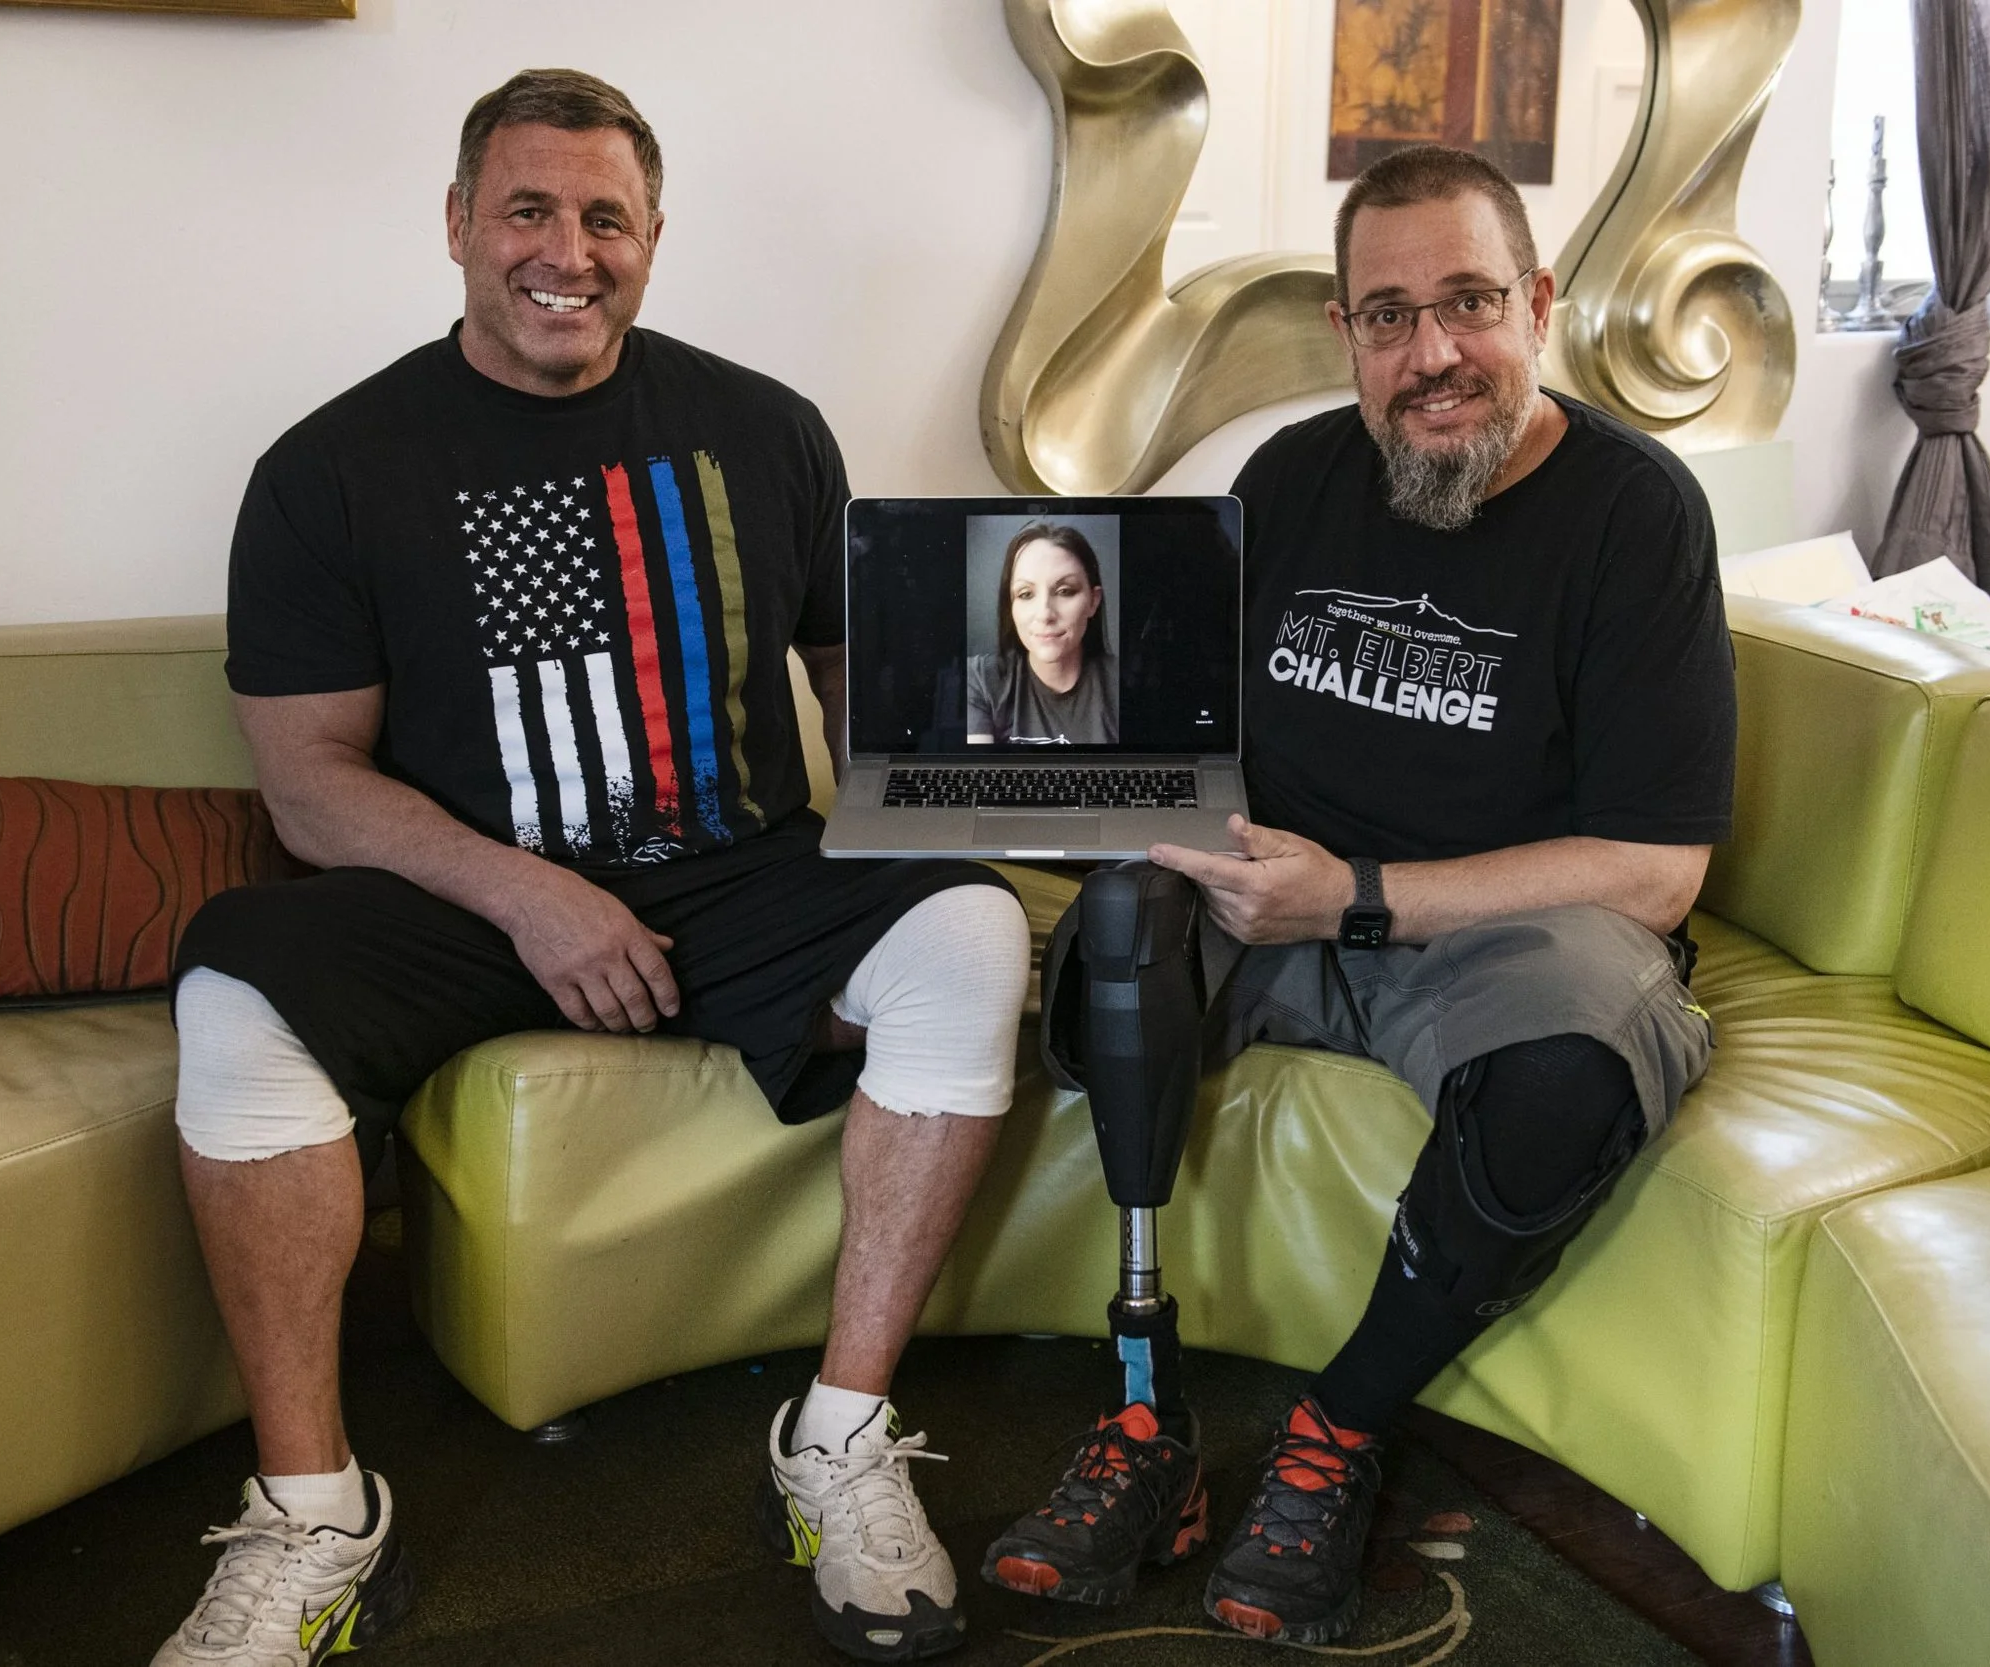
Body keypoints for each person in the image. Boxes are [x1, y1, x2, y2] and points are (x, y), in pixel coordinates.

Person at [152, 69, 1030, 1667]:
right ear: (459, 227)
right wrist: (530, 891)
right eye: (530, 210)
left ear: (653, 235)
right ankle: (312, 1510)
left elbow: (869, 706)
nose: (570, 247)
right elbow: (310, 789)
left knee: (971, 930)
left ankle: (838, 1431)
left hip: (737, 870)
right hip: (465, 896)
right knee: (231, 979)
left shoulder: (767, 428)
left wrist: (1072, 783)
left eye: (606, 215)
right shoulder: (329, 467)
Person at [983, 143, 1736, 1646]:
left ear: (1537, 303)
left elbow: (1657, 868)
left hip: (1490, 934)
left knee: (1569, 1068)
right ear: (1345, 334)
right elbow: (1180, 738)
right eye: (1388, 317)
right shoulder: (1289, 480)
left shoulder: (1636, 514)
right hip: (1277, 906)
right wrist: (1001, 767)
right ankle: (1145, 1421)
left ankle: (1340, 1422)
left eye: (1468, 303)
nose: (1433, 353)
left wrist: (1360, 896)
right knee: (1115, 926)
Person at [963, 521, 1118, 744]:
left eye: (1065, 591)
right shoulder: (980, 680)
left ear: (1093, 602)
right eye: (1026, 594)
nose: (1045, 614)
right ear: (1010, 606)